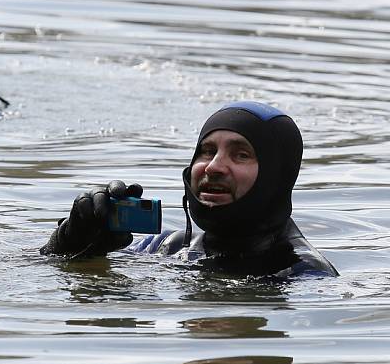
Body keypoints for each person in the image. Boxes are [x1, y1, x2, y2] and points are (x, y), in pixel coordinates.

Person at [40, 101, 338, 278]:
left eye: (241, 154)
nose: (213, 167)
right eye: (206, 151)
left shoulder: (303, 273)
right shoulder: (166, 248)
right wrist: (69, 244)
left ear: (276, 177)